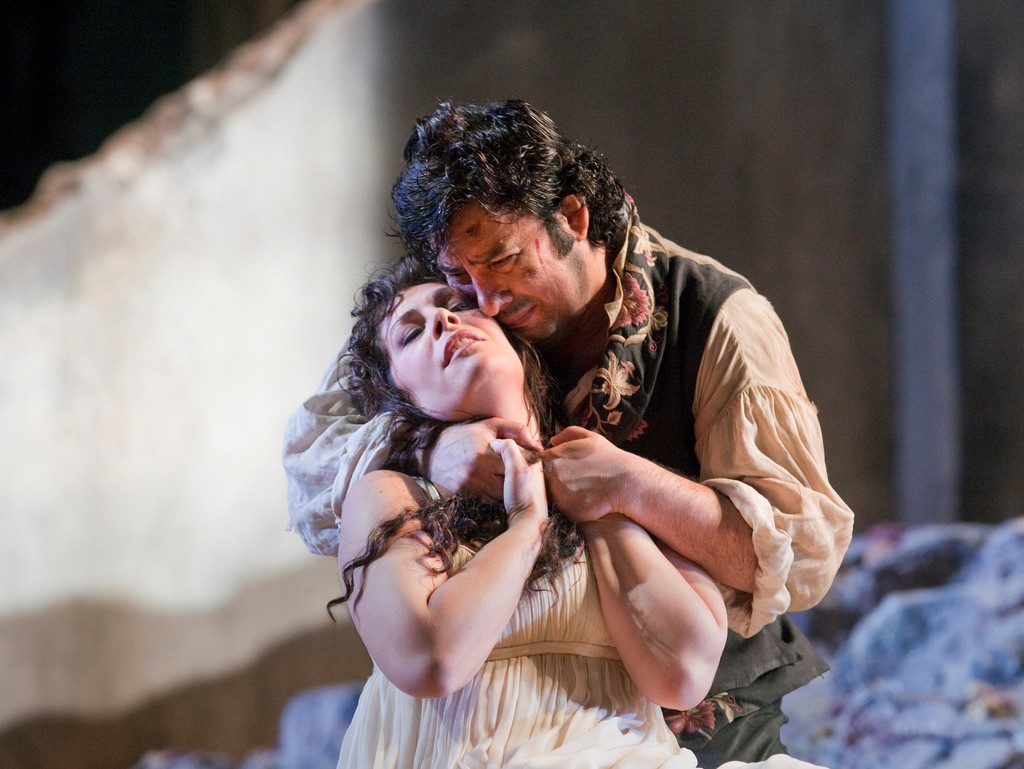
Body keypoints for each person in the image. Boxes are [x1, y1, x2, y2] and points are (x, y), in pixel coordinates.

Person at [282, 100, 854, 765]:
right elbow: (311, 457)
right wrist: (431, 449)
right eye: (460, 279)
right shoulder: (447, 301)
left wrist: (628, 486)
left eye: (504, 260)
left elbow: (795, 550)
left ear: (574, 218)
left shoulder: (717, 319)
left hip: (694, 687)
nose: (483, 302)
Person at [330, 262, 826, 769]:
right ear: (395, 391)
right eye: (411, 334)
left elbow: (683, 675)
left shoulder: (608, 473)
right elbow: (430, 660)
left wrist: (598, 504)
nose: (443, 321)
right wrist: (527, 526)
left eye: (458, 305)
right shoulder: (392, 493)